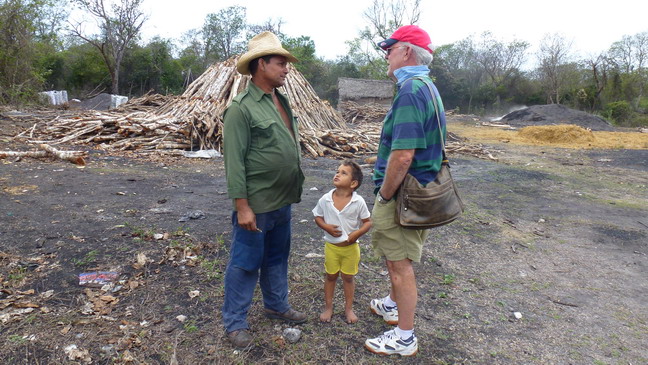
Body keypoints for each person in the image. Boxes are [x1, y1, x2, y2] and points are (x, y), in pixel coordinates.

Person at [221, 31, 306, 349]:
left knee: (276, 258)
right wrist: (242, 206)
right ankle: (235, 322)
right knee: (245, 262)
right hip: (256, 204)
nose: (286, 68)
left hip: (282, 200)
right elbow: (235, 162)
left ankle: (276, 305)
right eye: (280, 62)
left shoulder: (280, 99)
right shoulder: (240, 109)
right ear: (260, 64)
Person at [364, 25, 444, 357]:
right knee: (399, 255)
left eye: (391, 48)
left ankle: (405, 337)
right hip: (421, 192)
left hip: (403, 196)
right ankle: (392, 305)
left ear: (407, 51)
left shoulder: (411, 90)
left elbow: (403, 154)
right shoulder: (426, 85)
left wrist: (385, 195)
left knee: (400, 264)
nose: (387, 54)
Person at [312, 160, 372, 324]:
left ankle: (348, 308)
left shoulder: (358, 202)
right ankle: (328, 307)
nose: (337, 174)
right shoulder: (326, 199)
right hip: (331, 247)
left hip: (351, 249)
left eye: (343, 173)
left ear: (353, 183)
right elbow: (317, 216)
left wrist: (357, 234)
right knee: (330, 276)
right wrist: (326, 227)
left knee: (348, 278)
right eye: (337, 171)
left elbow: (368, 222)